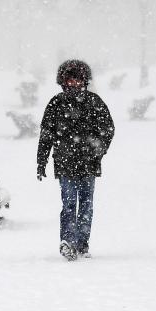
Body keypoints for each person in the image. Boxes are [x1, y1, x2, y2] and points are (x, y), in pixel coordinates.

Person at [36, 59, 115, 261]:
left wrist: (98, 150)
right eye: (69, 81)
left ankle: (82, 244)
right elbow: (46, 134)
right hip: (64, 163)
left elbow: (108, 129)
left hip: (88, 163)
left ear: (84, 81)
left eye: (77, 80)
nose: (73, 84)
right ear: (62, 82)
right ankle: (68, 242)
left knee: (86, 205)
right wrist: (41, 160)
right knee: (69, 204)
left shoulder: (94, 102)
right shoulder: (55, 104)